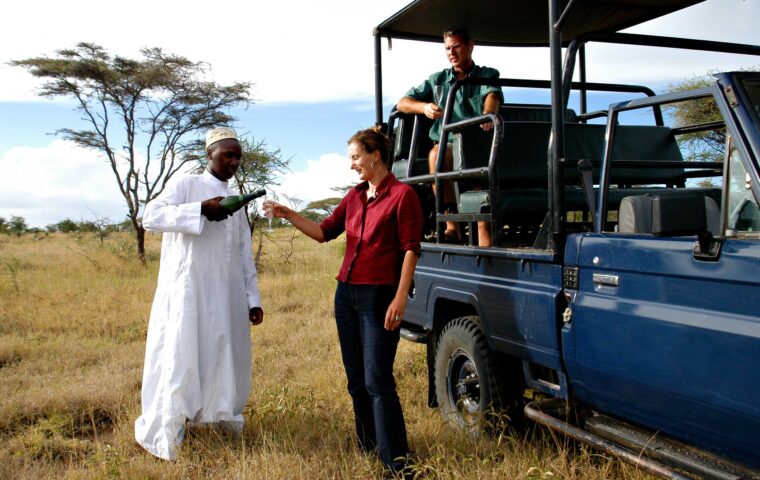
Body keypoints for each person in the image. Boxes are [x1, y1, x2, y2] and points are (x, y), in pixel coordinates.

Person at [264, 128, 422, 476]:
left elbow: (411, 249)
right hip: (346, 294)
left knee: (378, 378)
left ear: (375, 155)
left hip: (379, 295)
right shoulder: (354, 197)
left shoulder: (402, 195)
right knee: (356, 379)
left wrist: (400, 297)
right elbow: (323, 232)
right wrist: (288, 213)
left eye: (355, 157)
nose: (352, 165)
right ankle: (368, 446)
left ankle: (397, 463)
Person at [134, 127, 264, 460]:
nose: (233, 162)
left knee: (224, 355)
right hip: (188, 291)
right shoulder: (186, 184)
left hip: (227, 294)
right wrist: (200, 210)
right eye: (227, 155)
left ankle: (220, 421)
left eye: (237, 156)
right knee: (181, 357)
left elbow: (242, 252)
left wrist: (253, 299)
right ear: (210, 154)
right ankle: (169, 433)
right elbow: (151, 216)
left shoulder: (237, 198)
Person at [397, 24, 503, 247]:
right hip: (447, 146)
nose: (451, 53)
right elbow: (403, 103)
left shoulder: (486, 74)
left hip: (477, 150)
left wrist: (487, 115)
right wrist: (424, 107)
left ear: (470, 46)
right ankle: (451, 226)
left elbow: (492, 96)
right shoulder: (437, 80)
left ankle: (489, 259)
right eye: (447, 49)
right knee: (437, 154)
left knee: (481, 204)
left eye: (456, 47)